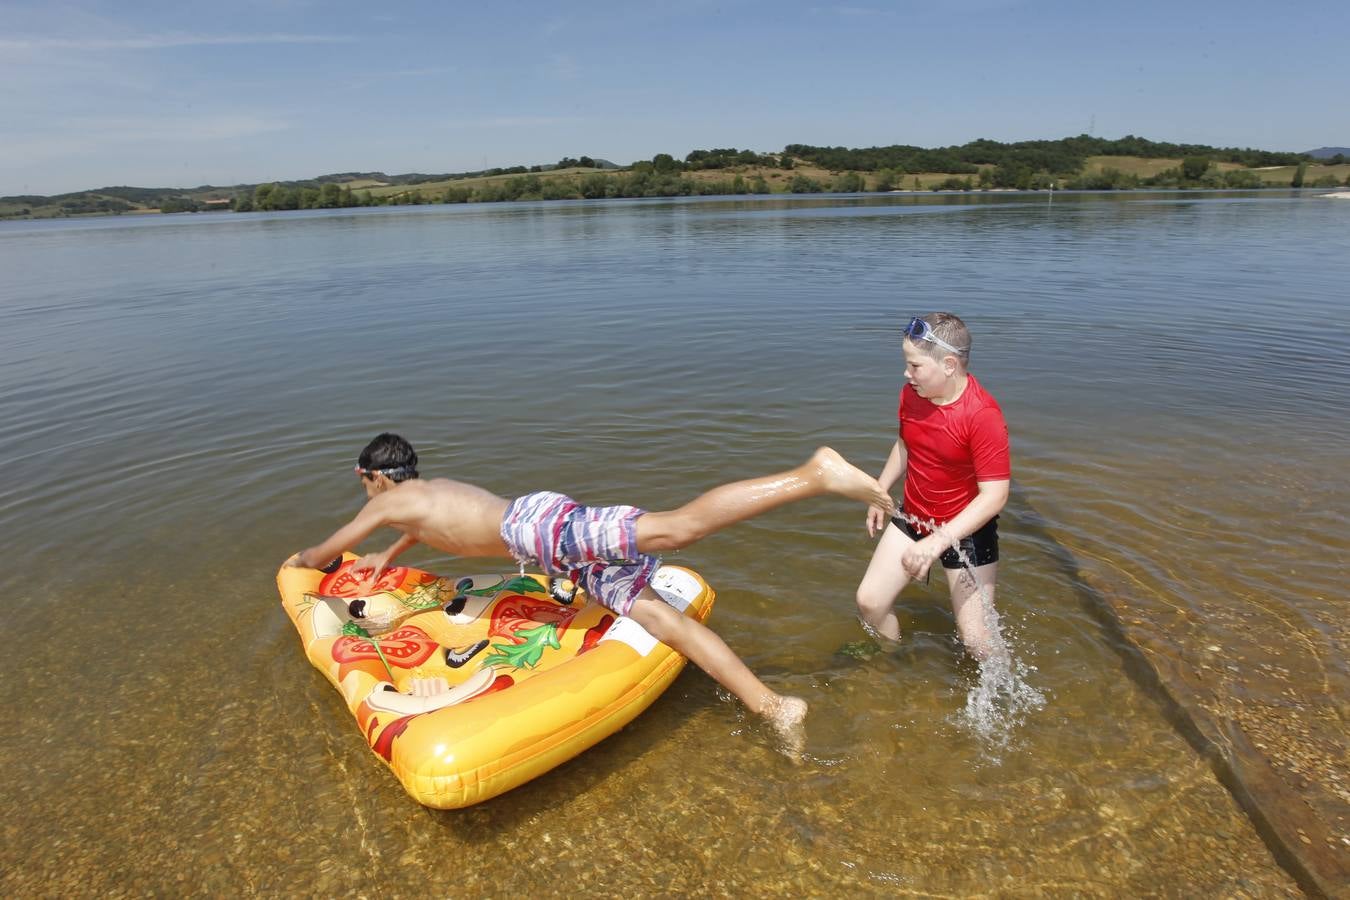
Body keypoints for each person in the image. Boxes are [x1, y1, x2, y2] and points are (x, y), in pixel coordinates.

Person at [287, 432, 894, 747]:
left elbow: (323, 549)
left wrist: (299, 565)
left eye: (364, 486)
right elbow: (426, 530)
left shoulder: (394, 500)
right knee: (662, 621)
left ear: (372, 477)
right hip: (543, 538)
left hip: (541, 532)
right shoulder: (422, 496)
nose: (370, 500)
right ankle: (775, 706)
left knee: (675, 529)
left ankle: (815, 474)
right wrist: (389, 555)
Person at [854, 313, 1011, 660]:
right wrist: (879, 492)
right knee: (870, 601)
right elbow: (905, 445)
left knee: (978, 643)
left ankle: (1000, 699)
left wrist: (938, 542)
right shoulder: (913, 394)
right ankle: (892, 667)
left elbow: (995, 495)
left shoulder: (982, 415)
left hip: (966, 530)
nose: (907, 374)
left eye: (915, 366)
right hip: (916, 515)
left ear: (950, 365)